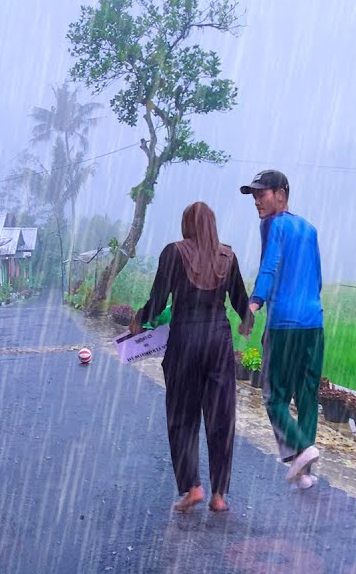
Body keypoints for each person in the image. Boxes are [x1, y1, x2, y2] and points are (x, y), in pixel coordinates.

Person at [130, 202, 253, 513]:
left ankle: (193, 488)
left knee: (182, 417)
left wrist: (139, 319)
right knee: (221, 418)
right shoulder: (228, 255)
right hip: (218, 340)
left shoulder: (174, 252)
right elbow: (240, 299)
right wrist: (246, 322)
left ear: (187, 225)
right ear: (212, 225)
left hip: (185, 338)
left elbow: (158, 299)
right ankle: (220, 494)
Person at [241, 169, 325, 491]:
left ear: (281, 193)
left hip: (285, 324)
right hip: (314, 323)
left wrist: (255, 303)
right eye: (254, 195)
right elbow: (317, 279)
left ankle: (302, 449)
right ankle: (305, 471)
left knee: (274, 396)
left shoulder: (273, 225)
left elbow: (270, 265)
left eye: (261, 194)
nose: (257, 201)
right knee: (306, 394)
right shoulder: (309, 228)